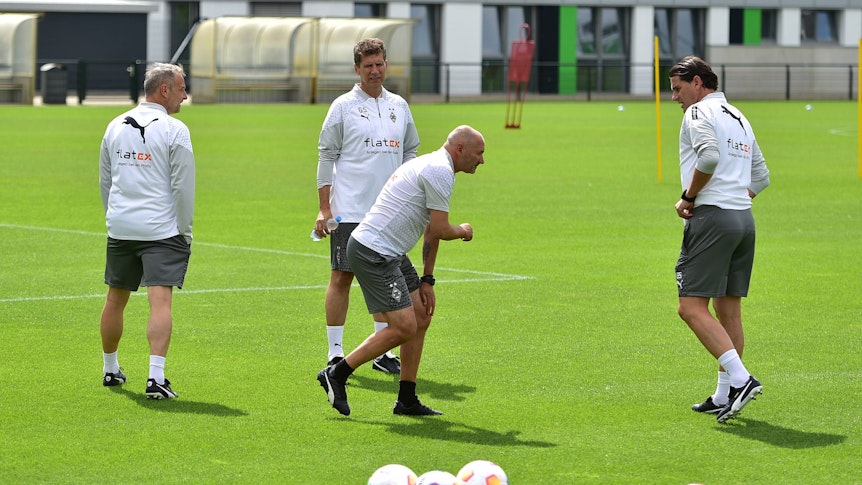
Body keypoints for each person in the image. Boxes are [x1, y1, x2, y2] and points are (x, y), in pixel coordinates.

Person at [316, 125, 485, 416]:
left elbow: (431, 229)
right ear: (460, 149)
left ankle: (406, 399)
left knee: (421, 315)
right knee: (404, 326)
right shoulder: (439, 171)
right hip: (374, 251)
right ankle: (337, 373)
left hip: (390, 251)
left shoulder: (436, 166)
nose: (482, 160)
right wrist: (463, 231)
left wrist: (427, 279)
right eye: (479, 153)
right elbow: (442, 229)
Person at [669, 56, 770, 423]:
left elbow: (709, 156)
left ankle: (742, 381)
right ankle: (724, 394)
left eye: (678, 88)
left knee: (690, 307)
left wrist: (689, 197)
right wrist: (735, 198)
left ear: (697, 82)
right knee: (729, 311)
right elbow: (761, 176)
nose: (675, 97)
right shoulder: (738, 116)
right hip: (743, 220)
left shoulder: (698, 113)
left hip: (713, 219)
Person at [314, 38, 420, 374]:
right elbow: (326, 156)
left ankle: (382, 352)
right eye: (368, 66)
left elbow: (411, 150)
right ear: (357, 69)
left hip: (389, 211)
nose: (374, 71)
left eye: (379, 64)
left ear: (386, 65)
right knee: (341, 277)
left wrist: (407, 188)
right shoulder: (342, 107)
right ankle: (335, 352)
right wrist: (325, 208)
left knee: (385, 275)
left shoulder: (399, 105)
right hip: (349, 209)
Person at [98, 62, 195, 400]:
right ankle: (156, 378)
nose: (185, 95)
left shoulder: (114, 125)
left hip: (121, 226)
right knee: (160, 301)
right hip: (162, 230)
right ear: (164, 90)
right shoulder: (175, 129)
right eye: (181, 88)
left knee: (115, 298)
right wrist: (184, 230)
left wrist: (115, 217)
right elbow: (183, 187)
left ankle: (110, 369)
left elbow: (106, 180)